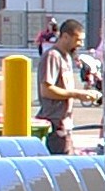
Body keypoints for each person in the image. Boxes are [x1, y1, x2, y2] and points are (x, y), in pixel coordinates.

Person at [37, 19, 96, 154]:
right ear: (65, 37)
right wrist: (77, 94)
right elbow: (46, 90)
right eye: (77, 40)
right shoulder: (52, 56)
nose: (80, 44)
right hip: (55, 123)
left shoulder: (66, 57)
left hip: (65, 123)